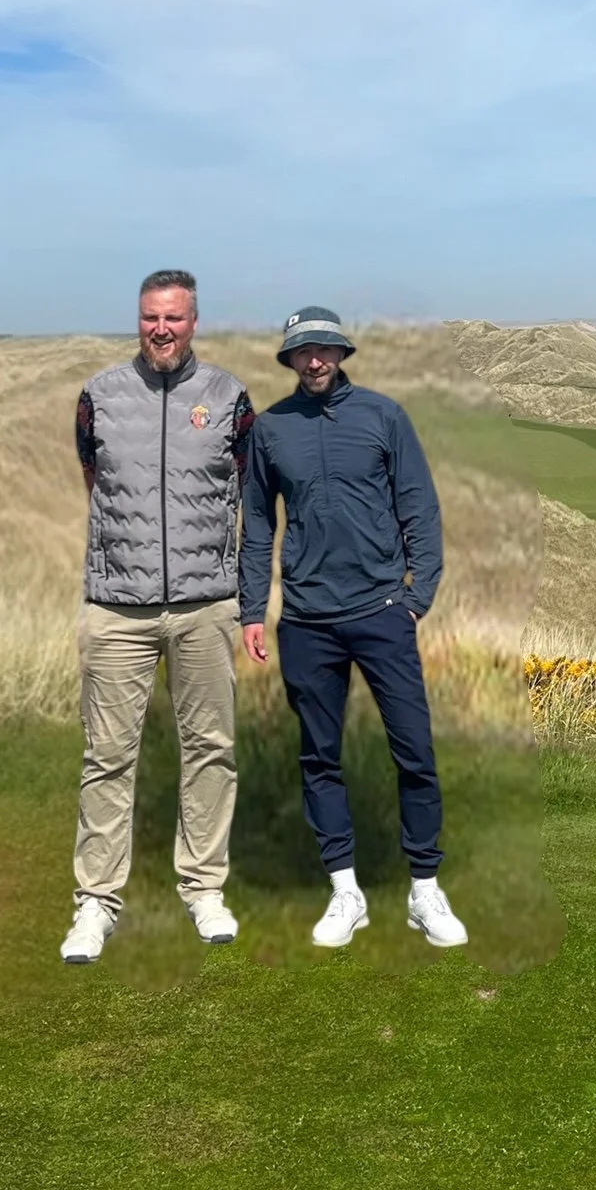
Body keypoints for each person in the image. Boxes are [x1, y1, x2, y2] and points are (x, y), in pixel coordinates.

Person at [240, 305, 467, 950]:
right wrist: (253, 610)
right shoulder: (271, 429)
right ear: (289, 360)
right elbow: (257, 527)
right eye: (302, 352)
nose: (315, 361)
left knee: (415, 752)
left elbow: (418, 506)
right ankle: (346, 892)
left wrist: (416, 595)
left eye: (325, 350)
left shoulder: (383, 416)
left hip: (381, 613)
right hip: (307, 621)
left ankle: (425, 889)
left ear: (341, 354)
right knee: (319, 757)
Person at [60, 270, 254, 964]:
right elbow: (94, 478)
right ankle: (95, 903)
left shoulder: (228, 397)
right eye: (150, 318)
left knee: (212, 749)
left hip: (205, 604)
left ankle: (203, 888)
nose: (161, 329)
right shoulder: (101, 397)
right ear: (138, 320)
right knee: (108, 756)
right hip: (117, 609)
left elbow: (243, 489)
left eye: (173, 317)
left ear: (194, 321)